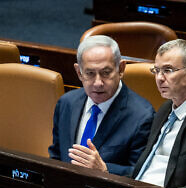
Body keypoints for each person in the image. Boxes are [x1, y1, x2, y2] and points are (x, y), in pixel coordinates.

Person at [48, 35, 155, 177]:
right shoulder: (66, 103)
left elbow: (142, 175)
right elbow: (56, 156)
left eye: (106, 73)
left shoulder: (142, 117)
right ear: (79, 72)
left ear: (121, 69)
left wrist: (104, 169)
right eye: (90, 73)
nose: (98, 83)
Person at [132, 39, 186, 188]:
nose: (159, 78)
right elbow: (148, 168)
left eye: (168, 70)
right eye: (156, 70)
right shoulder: (164, 110)